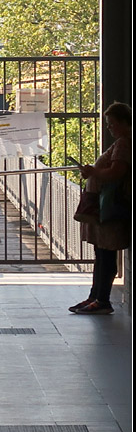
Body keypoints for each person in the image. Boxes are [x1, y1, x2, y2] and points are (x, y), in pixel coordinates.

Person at [70, 102, 131, 315]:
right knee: (101, 252)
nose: (109, 128)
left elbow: (116, 172)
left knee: (105, 253)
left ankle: (101, 298)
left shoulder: (124, 144)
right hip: (105, 207)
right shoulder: (120, 143)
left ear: (124, 123)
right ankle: (95, 295)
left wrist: (93, 172)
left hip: (110, 208)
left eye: (112, 123)